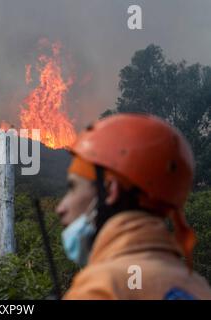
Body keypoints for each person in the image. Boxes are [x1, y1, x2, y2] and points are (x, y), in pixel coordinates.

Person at [56, 113, 211, 300]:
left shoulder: (101, 288)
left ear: (110, 189)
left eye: (72, 187)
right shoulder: (198, 288)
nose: (61, 207)